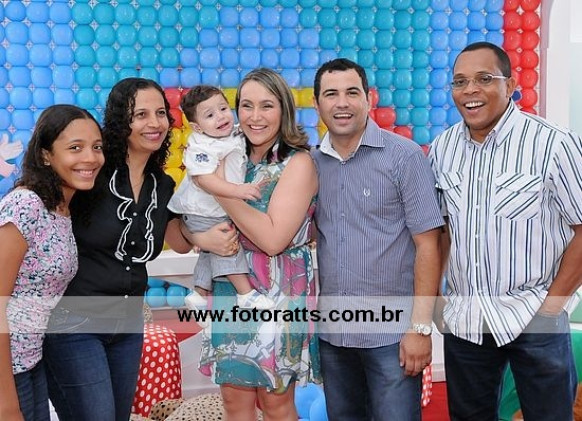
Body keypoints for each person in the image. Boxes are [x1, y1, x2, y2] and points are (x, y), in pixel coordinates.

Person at [428, 41, 582, 420]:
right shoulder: (443, 148)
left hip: (535, 317)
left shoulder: (553, 143)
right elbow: (441, 230)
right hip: (466, 322)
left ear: (510, 84)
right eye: (460, 81)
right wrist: (436, 299)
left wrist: (551, 308)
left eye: (484, 79)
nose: (470, 90)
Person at [42, 78, 197, 421]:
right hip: (75, 322)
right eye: (140, 114)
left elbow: (180, 240)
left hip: (128, 324)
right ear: (118, 121)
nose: (154, 123)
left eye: (160, 113)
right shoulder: (91, 173)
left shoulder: (162, 184)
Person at [312, 58, 444, 421]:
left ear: (369, 98)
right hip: (334, 336)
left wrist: (420, 328)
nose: (342, 103)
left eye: (352, 93)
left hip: (392, 336)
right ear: (317, 103)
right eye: (331, 94)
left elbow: (428, 245)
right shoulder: (311, 164)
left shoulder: (404, 157)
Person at [195, 68, 320, 421]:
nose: (255, 116)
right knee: (234, 402)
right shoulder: (225, 154)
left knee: (275, 403)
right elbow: (185, 224)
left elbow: (273, 239)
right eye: (246, 105)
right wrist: (200, 236)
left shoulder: (298, 162)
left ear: (284, 110)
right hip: (230, 289)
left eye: (266, 105)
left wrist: (217, 188)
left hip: (279, 292)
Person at [0, 105, 104, 421]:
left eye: (97, 147)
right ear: (46, 155)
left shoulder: (61, 208)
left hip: (31, 361)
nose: (91, 157)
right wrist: (5, 401)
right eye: (75, 148)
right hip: (9, 370)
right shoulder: (25, 204)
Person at [168, 85, 274, 312]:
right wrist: (237, 191)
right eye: (210, 115)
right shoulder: (201, 146)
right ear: (197, 127)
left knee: (211, 250)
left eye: (223, 109)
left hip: (214, 209)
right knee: (227, 245)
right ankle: (245, 294)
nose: (220, 117)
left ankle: (199, 293)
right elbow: (204, 180)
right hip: (202, 210)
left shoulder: (233, 133)